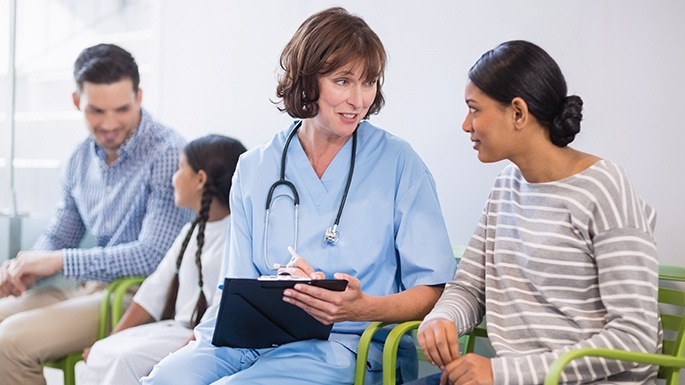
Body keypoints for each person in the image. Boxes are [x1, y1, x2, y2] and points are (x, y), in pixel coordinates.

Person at [142, 7, 457, 385]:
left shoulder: (399, 164)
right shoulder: (255, 167)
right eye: (343, 81)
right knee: (165, 379)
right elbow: (237, 285)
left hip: (350, 346)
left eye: (369, 82)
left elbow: (433, 287)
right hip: (254, 339)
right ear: (307, 81)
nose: (359, 100)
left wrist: (361, 308)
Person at [409, 40, 660, 385]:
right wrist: (443, 319)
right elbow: (469, 287)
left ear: (518, 113)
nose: (466, 125)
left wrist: (500, 372)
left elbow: (637, 337)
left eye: (474, 109)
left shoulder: (605, 188)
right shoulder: (506, 186)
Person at [0, 43, 192, 385]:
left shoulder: (168, 152)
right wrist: (23, 269)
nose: (109, 124)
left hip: (136, 297)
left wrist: (58, 262)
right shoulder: (78, 159)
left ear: (139, 97)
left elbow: (151, 257)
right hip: (86, 287)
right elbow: (60, 236)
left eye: (121, 109)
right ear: (77, 102)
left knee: (10, 341)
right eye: (96, 111)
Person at [78, 134, 247, 384]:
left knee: (124, 359)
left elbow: (221, 312)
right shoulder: (191, 231)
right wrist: (110, 339)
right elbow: (153, 291)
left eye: (180, 169)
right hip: (175, 329)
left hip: (203, 339)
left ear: (200, 179)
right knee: (104, 351)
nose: (174, 178)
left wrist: (184, 355)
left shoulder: (238, 235)